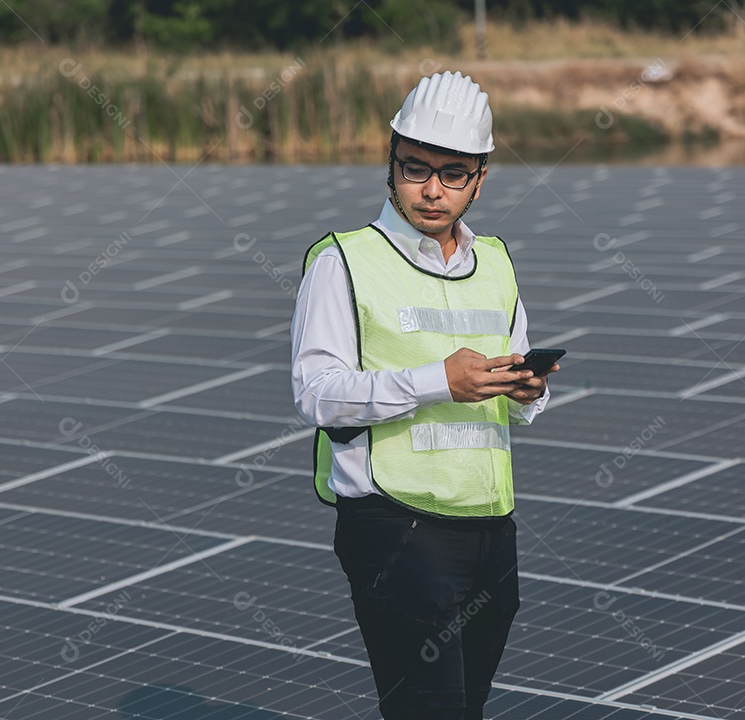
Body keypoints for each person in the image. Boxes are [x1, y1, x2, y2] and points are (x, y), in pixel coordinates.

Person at [290, 71, 556, 720]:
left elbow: (516, 397)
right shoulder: (344, 261)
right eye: (415, 168)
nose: (432, 188)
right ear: (392, 161)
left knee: (462, 709)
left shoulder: (495, 262)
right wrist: (439, 380)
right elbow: (317, 395)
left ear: (481, 178)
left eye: (454, 173)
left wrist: (528, 390)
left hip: (489, 522)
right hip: (393, 523)